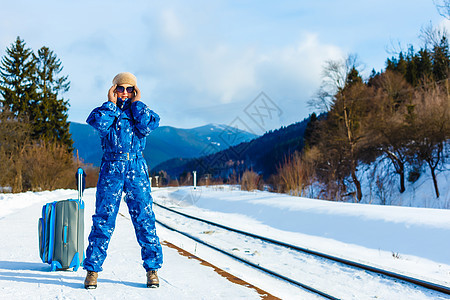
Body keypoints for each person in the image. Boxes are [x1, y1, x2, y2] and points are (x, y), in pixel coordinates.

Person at [83, 72, 163, 289]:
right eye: (121, 88)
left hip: (136, 168)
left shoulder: (141, 113)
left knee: (144, 219)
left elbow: (149, 125)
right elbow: (98, 125)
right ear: (114, 89)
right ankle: (92, 271)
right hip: (111, 168)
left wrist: (137, 104)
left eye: (130, 89)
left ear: (135, 91)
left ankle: (152, 269)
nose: (125, 93)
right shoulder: (106, 112)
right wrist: (111, 104)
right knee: (103, 219)